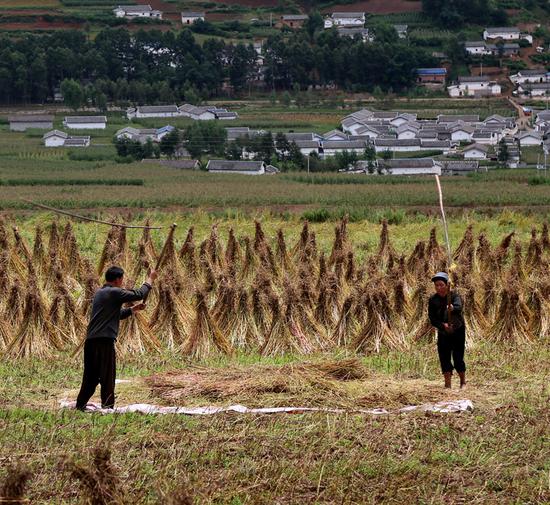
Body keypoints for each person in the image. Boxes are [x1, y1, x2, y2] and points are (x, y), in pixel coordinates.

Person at [76, 265, 157, 410]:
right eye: (122, 279)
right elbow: (139, 293)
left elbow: (116, 315)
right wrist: (150, 279)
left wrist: (133, 310)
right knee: (107, 375)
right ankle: (108, 408)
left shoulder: (101, 293)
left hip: (91, 341)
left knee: (90, 376)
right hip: (104, 341)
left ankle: (80, 405)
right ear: (118, 279)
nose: (122, 282)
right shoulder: (114, 292)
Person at [428, 271, 466, 389]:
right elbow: (432, 318)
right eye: (436, 285)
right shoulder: (433, 300)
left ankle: (463, 382)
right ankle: (447, 384)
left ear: (447, 285)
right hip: (443, 332)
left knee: (458, 356)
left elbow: (459, 307)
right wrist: (443, 325)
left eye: (441, 285)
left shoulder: (454, 296)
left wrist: (452, 308)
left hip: (457, 330)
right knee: (444, 356)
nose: (439, 288)